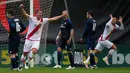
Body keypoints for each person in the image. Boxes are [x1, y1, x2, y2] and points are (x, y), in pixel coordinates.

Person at [18, 4, 67, 71]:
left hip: (36, 40)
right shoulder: (32, 18)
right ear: (36, 14)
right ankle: (21, 64)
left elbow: (53, 19)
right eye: (39, 13)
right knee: (24, 53)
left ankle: (27, 62)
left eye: (41, 13)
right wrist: (22, 9)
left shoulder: (43, 20)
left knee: (34, 51)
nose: (40, 14)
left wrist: (61, 16)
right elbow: (25, 14)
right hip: (29, 39)